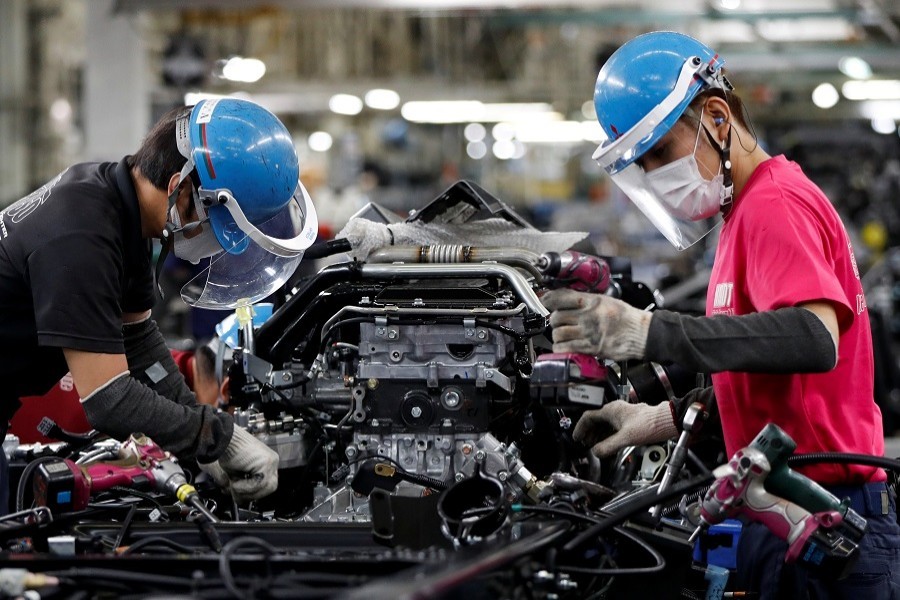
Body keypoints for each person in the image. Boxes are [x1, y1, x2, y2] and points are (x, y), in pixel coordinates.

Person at [540, 31, 900, 598]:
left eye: (660, 153)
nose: (657, 175)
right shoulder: (743, 216)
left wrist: (647, 332)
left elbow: (812, 338)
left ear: (716, 116)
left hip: (825, 520)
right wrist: (663, 417)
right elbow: (760, 370)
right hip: (780, 514)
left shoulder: (775, 204)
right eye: (643, 164)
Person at [0, 97, 317, 511]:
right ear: (179, 188)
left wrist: (207, 446)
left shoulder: (119, 208)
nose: (215, 243)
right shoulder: (83, 237)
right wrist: (217, 436)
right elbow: (109, 400)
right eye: (218, 225)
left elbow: (141, 347)